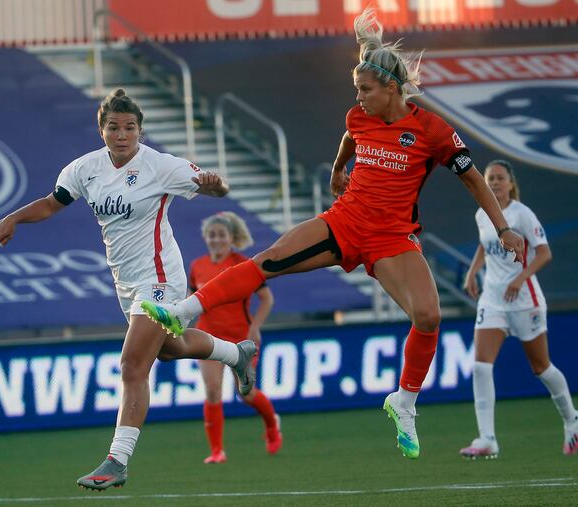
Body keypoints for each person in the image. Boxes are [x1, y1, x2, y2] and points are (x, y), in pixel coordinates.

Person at [142, 7, 525, 460]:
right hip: (344, 223)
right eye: (356, 90)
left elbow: (473, 178)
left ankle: (404, 402)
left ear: (392, 89)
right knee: (267, 262)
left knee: (428, 316)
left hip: (392, 239)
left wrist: (503, 227)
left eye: (366, 90)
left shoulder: (431, 130)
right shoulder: (360, 116)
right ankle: (184, 311)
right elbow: (349, 136)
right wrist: (340, 169)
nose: (358, 98)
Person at [0, 89, 258, 491]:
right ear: (101, 130)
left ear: (140, 131)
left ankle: (117, 460)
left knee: (133, 365)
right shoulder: (84, 169)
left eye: (129, 127)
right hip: (126, 282)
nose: (122, 135)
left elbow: (214, 187)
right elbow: (52, 202)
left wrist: (216, 186)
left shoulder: (159, 165)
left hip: (161, 276)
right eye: (113, 127)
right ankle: (236, 353)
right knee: (170, 349)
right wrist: (14, 218)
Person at [459, 160, 578, 459]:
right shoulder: (482, 214)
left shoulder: (522, 215)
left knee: (541, 367)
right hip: (493, 300)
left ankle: (572, 420)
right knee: (480, 366)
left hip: (525, 300)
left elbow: (544, 253)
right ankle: (487, 439)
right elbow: (485, 245)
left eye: (500, 178)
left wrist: (520, 278)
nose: (495, 183)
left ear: (511, 183)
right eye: (490, 179)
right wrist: (473, 271)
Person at [191, 211, 281, 464]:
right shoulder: (197, 266)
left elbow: (267, 298)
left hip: (240, 339)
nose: (216, 239)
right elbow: (191, 300)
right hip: (208, 335)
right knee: (212, 390)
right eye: (212, 235)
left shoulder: (243, 264)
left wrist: (255, 327)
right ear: (205, 238)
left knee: (247, 394)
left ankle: (272, 425)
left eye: (221, 234)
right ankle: (217, 451)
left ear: (231, 237)